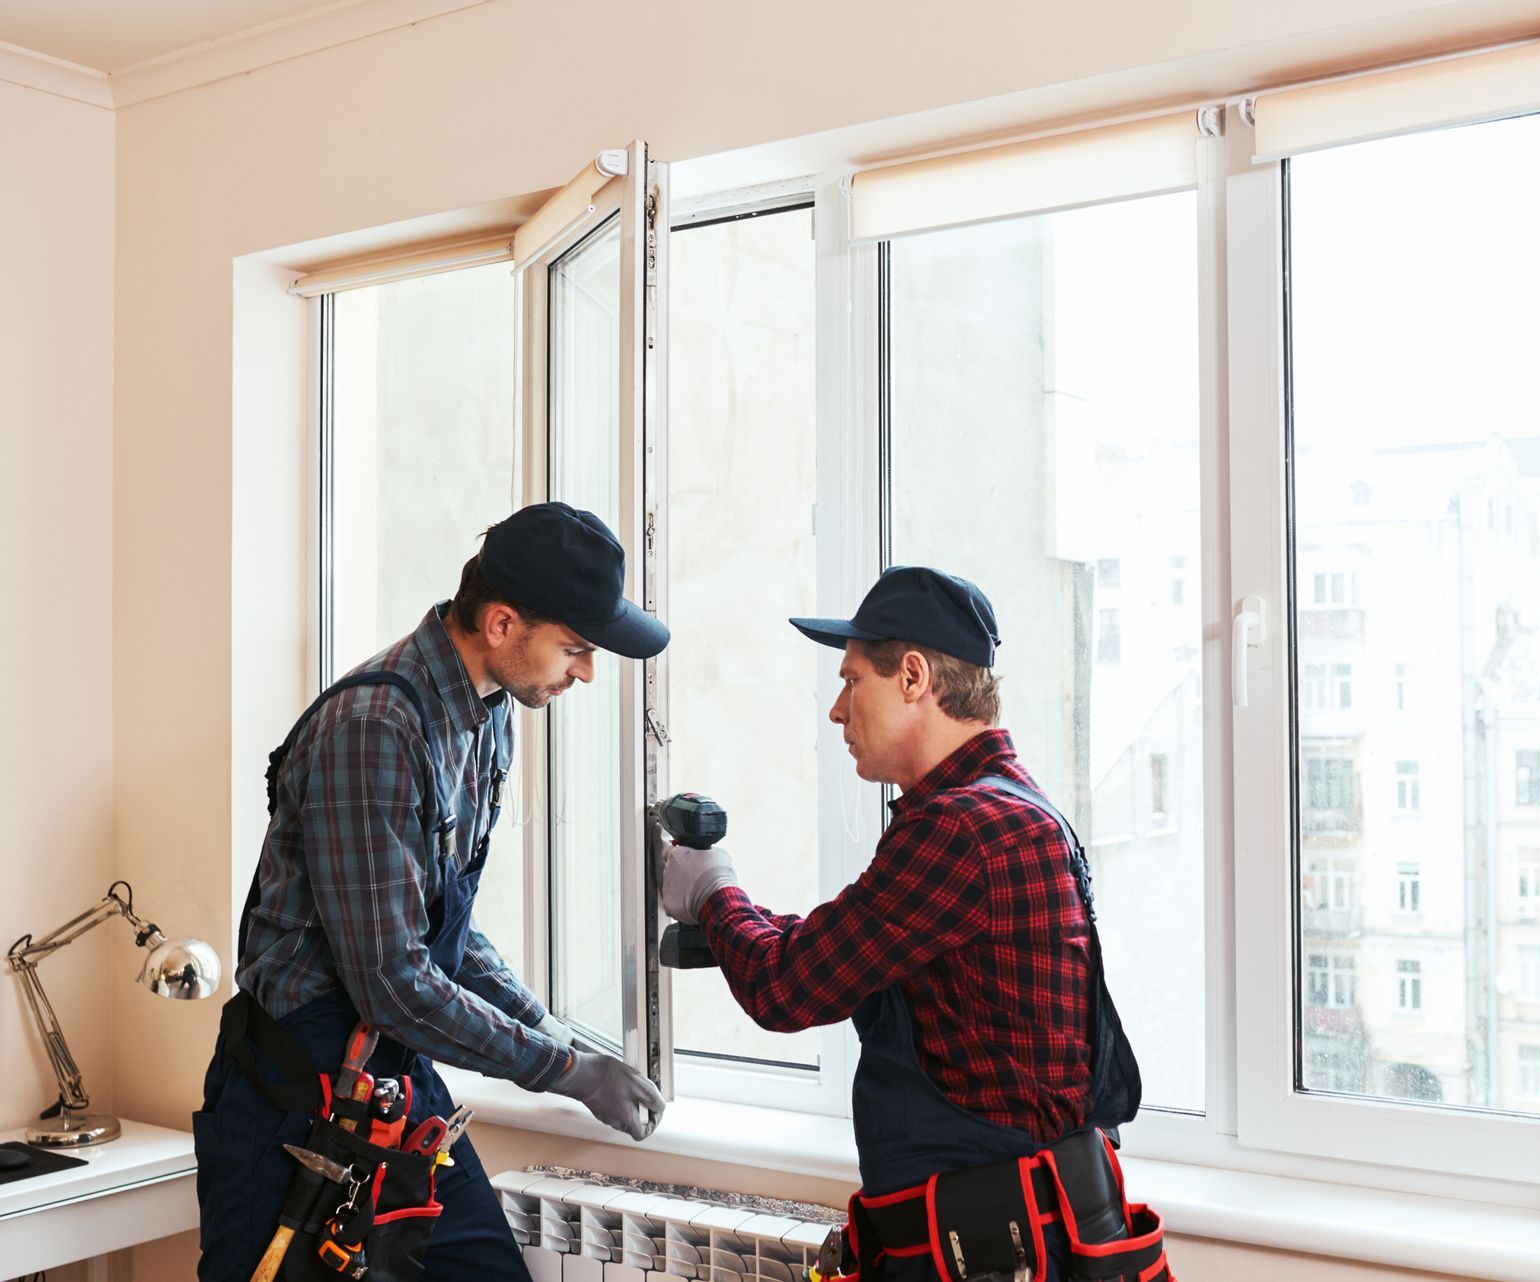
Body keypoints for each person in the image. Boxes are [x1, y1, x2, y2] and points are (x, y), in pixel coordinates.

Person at [659, 566, 1172, 1281]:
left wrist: (713, 891)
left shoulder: (961, 829)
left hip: (996, 1247)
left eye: (850, 681)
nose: (837, 711)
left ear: (912, 677)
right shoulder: (1015, 809)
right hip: (1020, 1233)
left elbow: (787, 987)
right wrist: (728, 921)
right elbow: (844, 947)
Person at [197, 502, 668, 1282]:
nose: (585, 671)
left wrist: (555, 1036)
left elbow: (447, 930)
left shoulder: (487, 717)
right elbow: (392, 981)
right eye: (575, 647)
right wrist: (563, 1073)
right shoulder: (375, 726)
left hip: (391, 1081)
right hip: (295, 1100)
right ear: (503, 624)